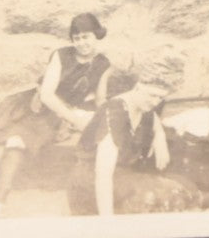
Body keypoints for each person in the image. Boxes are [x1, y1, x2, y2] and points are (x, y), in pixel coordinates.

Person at [0, 12, 112, 216]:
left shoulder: (104, 65)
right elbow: (48, 95)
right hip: (30, 107)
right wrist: (74, 118)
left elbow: (100, 99)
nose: (81, 43)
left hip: (53, 118)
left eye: (86, 37)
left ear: (97, 35)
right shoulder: (61, 56)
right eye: (77, 38)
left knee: (15, 142)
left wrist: (106, 118)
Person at [67, 59, 201, 215]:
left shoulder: (143, 105)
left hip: (124, 175)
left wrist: (160, 136)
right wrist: (106, 222)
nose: (155, 102)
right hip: (91, 184)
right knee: (163, 196)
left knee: (185, 187)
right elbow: (103, 175)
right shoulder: (115, 113)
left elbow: (153, 117)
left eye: (160, 98)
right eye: (152, 95)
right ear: (137, 87)